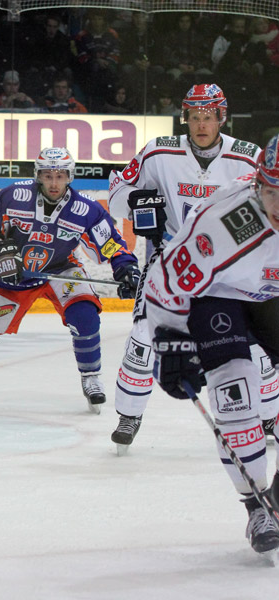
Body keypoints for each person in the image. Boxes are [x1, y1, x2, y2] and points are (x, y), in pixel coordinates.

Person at [106, 83, 275, 452]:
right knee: (141, 338)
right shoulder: (157, 152)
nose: (201, 125)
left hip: (230, 267)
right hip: (171, 261)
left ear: (221, 118)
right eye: (195, 117)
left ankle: (270, 415)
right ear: (186, 118)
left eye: (209, 117)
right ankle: (128, 414)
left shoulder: (249, 157)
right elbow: (116, 196)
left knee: (258, 348)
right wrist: (138, 201)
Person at [143, 133, 279, 554]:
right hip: (217, 296)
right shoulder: (227, 222)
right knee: (233, 393)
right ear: (259, 185)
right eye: (275, 193)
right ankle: (256, 506)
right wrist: (170, 341)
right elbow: (164, 282)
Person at [0, 148, 140, 409]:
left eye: (60, 176)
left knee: (85, 314)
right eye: (48, 176)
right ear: (38, 176)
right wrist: (1, 251)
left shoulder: (86, 209)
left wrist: (125, 268)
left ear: (70, 176)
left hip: (62, 269)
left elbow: (111, 244)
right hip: (16, 271)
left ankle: (91, 376)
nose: (54, 182)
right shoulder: (13, 196)